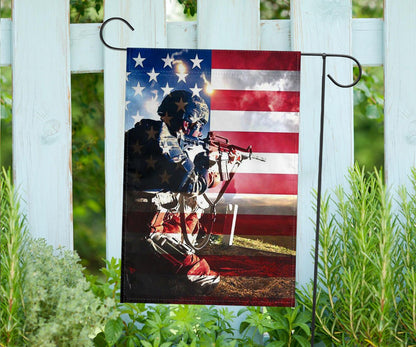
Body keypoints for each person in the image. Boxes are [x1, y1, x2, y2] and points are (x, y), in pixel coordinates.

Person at [122, 90, 220, 300]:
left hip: (130, 218)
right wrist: (205, 163)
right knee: (203, 276)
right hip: (140, 229)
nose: (199, 132)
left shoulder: (146, 133)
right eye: (198, 126)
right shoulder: (163, 140)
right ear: (187, 123)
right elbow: (192, 186)